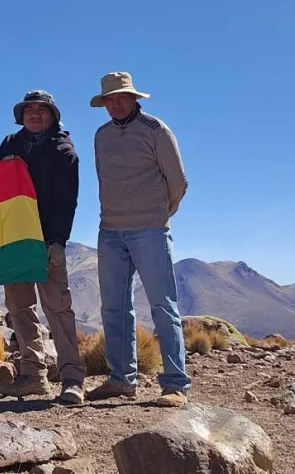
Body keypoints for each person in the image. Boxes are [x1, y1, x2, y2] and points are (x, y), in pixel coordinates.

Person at [87, 71, 192, 408]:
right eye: (110, 100)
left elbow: (178, 181)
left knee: (163, 305)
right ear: (104, 104)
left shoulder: (155, 130)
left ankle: (175, 384)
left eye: (122, 97)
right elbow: (103, 178)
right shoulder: (101, 135)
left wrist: (159, 214)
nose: (116, 104)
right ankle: (121, 379)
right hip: (109, 231)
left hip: (151, 230)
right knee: (114, 307)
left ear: (134, 98)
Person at [0, 90, 86, 404]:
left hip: (46, 239)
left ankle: (72, 379)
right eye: (29, 109)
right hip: (15, 240)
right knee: (20, 308)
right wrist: (3, 166)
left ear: (52, 116)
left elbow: (67, 202)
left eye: (41, 110)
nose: (34, 114)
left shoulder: (63, 151)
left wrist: (58, 241)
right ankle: (33, 375)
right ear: (22, 116)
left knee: (57, 308)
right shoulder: (10, 144)